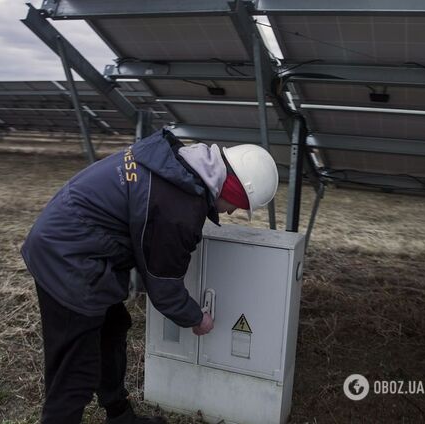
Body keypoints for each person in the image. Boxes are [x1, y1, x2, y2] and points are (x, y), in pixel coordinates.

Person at [21, 128, 279, 424]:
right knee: (75, 369)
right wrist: (197, 318)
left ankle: (119, 415)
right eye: (237, 205)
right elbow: (164, 287)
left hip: (74, 244)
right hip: (67, 258)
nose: (232, 213)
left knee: (113, 326)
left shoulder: (176, 165)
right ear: (231, 189)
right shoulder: (178, 206)